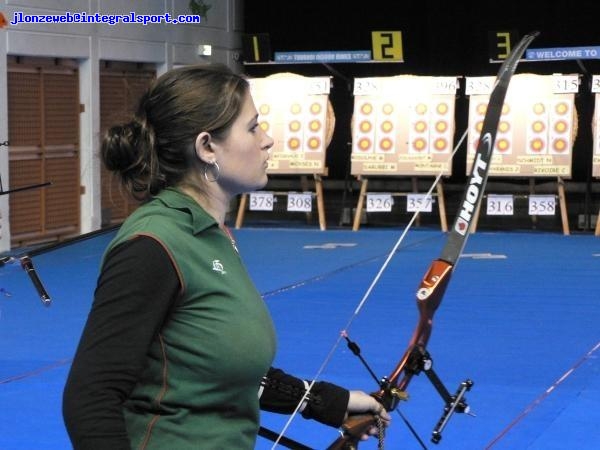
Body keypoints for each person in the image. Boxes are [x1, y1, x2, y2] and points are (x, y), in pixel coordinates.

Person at [62, 64, 390, 449]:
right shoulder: (153, 245)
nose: (267, 140)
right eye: (253, 127)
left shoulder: (208, 234)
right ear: (206, 147)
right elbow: (90, 398)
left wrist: (327, 402)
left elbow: (217, 370)